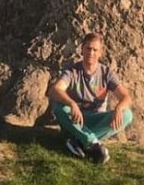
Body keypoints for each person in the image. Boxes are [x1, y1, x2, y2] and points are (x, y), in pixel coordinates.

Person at [47, 31, 133, 165]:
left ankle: (80, 142)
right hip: (75, 120)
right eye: (88, 48)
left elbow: (126, 97)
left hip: (95, 119)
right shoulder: (72, 71)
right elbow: (56, 90)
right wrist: (72, 104)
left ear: (100, 52)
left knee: (127, 114)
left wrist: (118, 107)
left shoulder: (107, 73)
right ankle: (93, 143)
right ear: (82, 49)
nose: (91, 53)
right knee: (59, 108)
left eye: (95, 50)